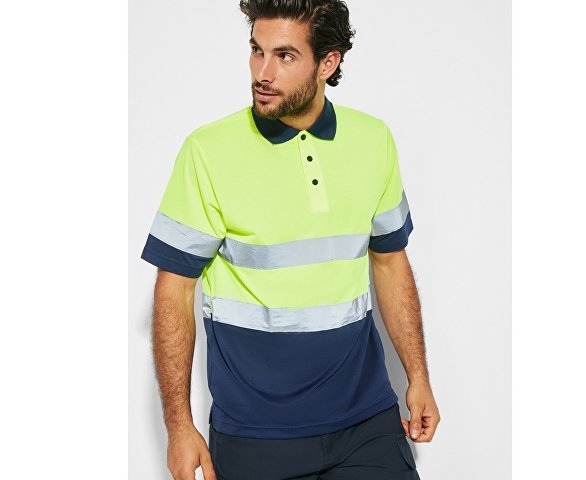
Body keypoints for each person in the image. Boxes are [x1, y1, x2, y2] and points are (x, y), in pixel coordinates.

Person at [140, 0, 440, 478]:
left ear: (327, 62)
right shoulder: (208, 152)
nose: (263, 72)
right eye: (256, 51)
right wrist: (179, 426)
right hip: (255, 436)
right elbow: (174, 289)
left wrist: (418, 376)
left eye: (284, 56)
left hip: (366, 423)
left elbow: (390, 261)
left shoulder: (373, 141)